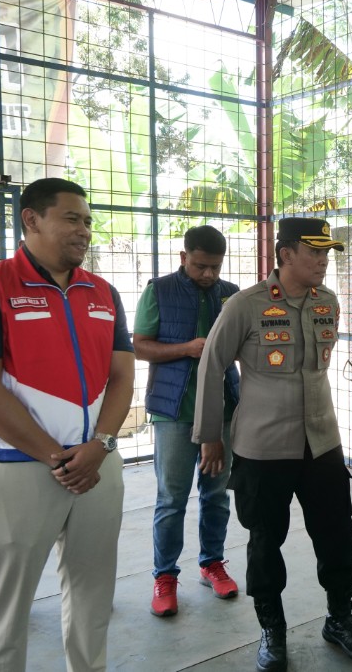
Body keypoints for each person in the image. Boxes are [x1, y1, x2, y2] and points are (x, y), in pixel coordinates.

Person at [0, 177, 135, 672]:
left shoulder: (103, 293)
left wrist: (100, 446)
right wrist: (59, 458)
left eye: (88, 222)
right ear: (31, 219)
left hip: (97, 466)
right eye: (71, 218)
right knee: (6, 610)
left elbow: (122, 377)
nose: (85, 231)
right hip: (20, 467)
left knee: (94, 597)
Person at [192, 217, 352, 672]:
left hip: (322, 442)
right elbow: (212, 364)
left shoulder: (327, 302)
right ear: (286, 254)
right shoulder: (246, 305)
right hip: (263, 447)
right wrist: (211, 436)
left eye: (327, 252)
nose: (323, 260)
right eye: (314, 251)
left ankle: (340, 618)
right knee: (264, 541)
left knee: (336, 534)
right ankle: (272, 629)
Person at [134, 225, 241, 616]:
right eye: (200, 266)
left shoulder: (232, 294)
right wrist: (187, 349)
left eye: (215, 267)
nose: (208, 274)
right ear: (184, 258)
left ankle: (212, 563)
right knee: (171, 499)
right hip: (174, 411)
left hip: (224, 409)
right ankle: (165, 576)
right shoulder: (159, 291)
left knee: (217, 494)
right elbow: (139, 346)